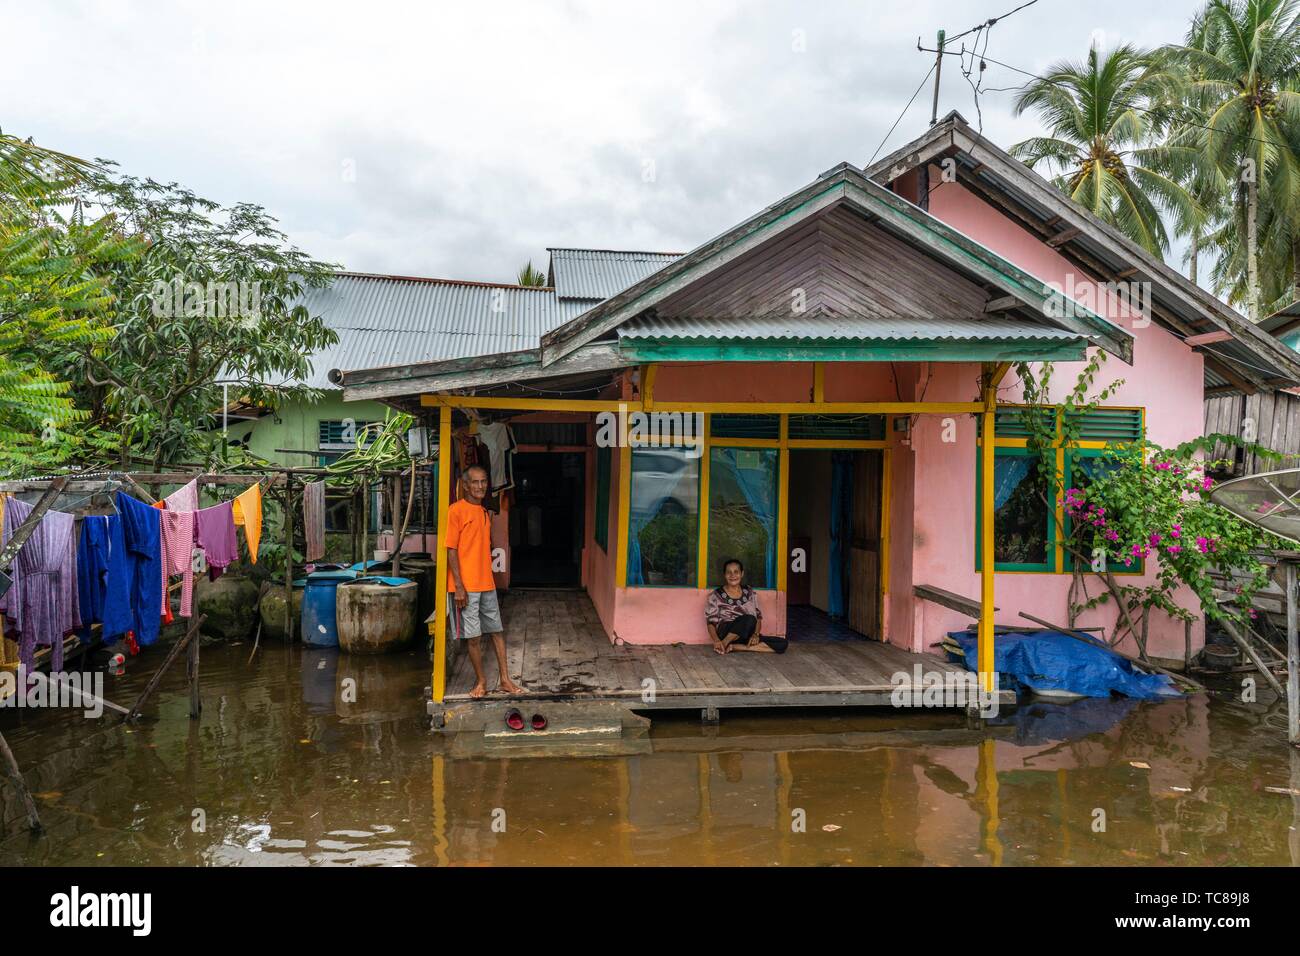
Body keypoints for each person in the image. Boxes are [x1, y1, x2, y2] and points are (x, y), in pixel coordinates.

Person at [447, 464, 523, 698]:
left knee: (497, 631)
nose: (480, 486)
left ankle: (505, 680)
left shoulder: (483, 512)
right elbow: (451, 550)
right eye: (475, 482)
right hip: (466, 587)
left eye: (483, 482)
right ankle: (481, 682)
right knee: (473, 637)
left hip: (486, 584)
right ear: (466, 485)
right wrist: (459, 586)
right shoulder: (455, 511)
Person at [704, 558, 788, 654]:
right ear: (724, 575)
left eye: (736, 572)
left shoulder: (749, 592)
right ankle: (724, 643)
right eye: (729, 572)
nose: (733, 575)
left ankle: (736, 647)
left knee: (782, 643)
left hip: (746, 633)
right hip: (726, 631)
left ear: (742, 573)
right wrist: (717, 641)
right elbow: (710, 623)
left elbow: (758, 617)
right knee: (749, 619)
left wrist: (755, 635)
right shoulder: (716, 595)